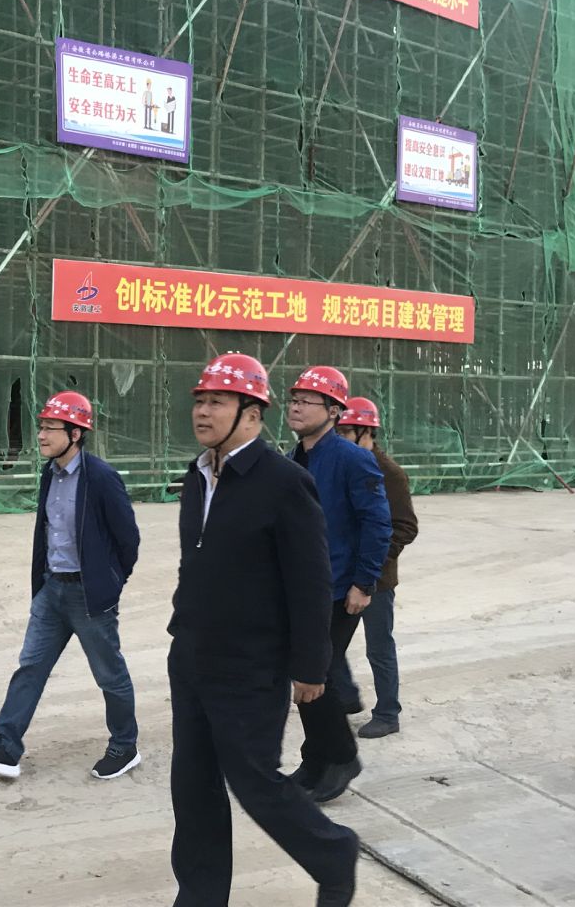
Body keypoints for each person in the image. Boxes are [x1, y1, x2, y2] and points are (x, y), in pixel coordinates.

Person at [169, 353, 360, 907]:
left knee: (254, 779)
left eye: (217, 402)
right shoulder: (198, 476)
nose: (202, 412)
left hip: (250, 664)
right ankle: (199, 897)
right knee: (193, 786)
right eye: (200, 401)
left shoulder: (284, 482)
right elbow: (195, 561)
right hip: (193, 654)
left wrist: (311, 666)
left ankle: (333, 854)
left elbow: (310, 581)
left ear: (252, 414)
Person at [0, 391, 142, 780]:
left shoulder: (101, 478)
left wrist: (109, 583)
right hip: (52, 590)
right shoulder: (50, 473)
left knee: (109, 674)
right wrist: (45, 583)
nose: (41, 435)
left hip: (89, 596)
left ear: (75, 433)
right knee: (30, 667)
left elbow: (128, 539)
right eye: (41, 426)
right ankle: (6, 747)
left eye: (50, 428)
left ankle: (124, 746)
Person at [285, 367, 392, 803]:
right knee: (305, 676)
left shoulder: (353, 459)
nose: (295, 407)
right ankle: (315, 760)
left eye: (306, 401)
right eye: (293, 399)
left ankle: (343, 757)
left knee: (320, 674)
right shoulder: (293, 459)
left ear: (333, 411)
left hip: (338, 589)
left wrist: (364, 583)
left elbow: (378, 523)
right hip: (301, 587)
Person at [331, 397, 418, 739]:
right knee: (328, 643)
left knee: (379, 647)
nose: (338, 438)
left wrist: (374, 558)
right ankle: (347, 696)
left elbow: (406, 527)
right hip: (341, 573)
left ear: (365, 432)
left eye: (344, 432)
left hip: (377, 579)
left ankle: (388, 713)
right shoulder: (344, 465)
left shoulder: (389, 473)